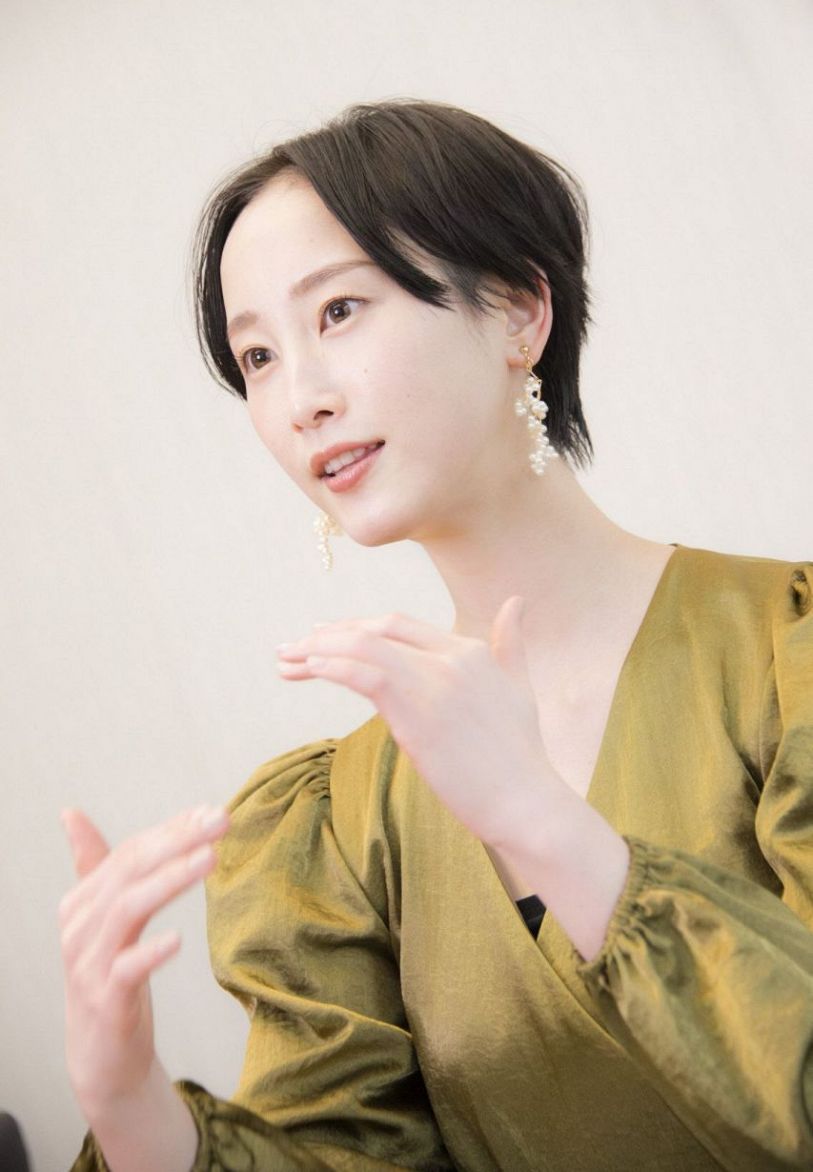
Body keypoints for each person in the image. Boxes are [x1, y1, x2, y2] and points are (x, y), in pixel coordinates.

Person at [60, 98, 813, 1172]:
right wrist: (135, 1110)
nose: (300, 399)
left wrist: (543, 824)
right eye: (257, 356)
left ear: (517, 312)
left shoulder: (784, 653)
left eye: (338, 312)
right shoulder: (338, 823)